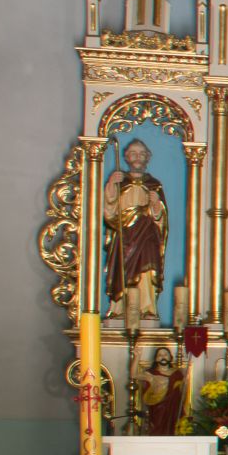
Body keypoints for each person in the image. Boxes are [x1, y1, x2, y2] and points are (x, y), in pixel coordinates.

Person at [103, 137, 168, 326]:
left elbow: (161, 219)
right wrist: (111, 185)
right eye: (133, 153)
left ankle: (147, 308)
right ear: (126, 157)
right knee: (121, 270)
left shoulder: (154, 184)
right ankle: (119, 308)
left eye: (141, 154)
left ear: (148, 157)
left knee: (147, 271)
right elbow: (109, 210)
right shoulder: (120, 181)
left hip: (147, 236)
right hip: (125, 237)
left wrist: (156, 204)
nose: (137, 157)